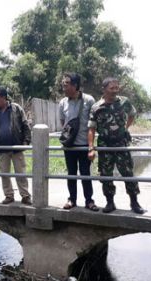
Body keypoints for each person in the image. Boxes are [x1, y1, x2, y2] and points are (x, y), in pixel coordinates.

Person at [87, 77, 145, 214]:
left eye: (116, 88)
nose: (114, 91)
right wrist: (91, 148)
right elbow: (91, 129)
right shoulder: (96, 107)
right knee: (106, 175)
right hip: (105, 145)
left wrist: (125, 128)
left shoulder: (124, 102)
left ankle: (134, 202)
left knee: (128, 173)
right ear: (104, 89)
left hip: (121, 143)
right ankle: (110, 202)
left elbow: (132, 115)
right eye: (111, 88)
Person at [59, 73, 98, 211]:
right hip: (69, 146)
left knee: (85, 173)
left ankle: (89, 200)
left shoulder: (89, 100)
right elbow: (63, 122)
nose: (63, 87)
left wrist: (91, 147)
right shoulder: (63, 102)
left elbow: (93, 125)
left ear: (75, 86)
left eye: (66, 84)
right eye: (63, 84)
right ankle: (72, 199)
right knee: (71, 174)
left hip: (84, 145)